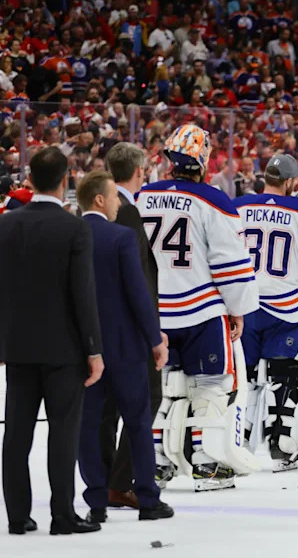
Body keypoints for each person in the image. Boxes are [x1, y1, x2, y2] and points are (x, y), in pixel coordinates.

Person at [138, 124, 260, 491]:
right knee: (211, 386)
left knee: (163, 386)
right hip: (202, 310)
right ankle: (207, 464)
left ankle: (156, 463)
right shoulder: (214, 200)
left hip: (154, 311)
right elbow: (231, 265)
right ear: (203, 160)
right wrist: (237, 309)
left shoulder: (142, 196)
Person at [0, 147, 104, 535]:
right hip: (65, 349)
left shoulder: (6, 224)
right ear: (66, 180)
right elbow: (83, 294)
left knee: (17, 433)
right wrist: (94, 349)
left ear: (29, 178)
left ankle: (16, 516)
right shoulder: (74, 228)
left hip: (18, 348)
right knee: (63, 432)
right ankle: (62, 514)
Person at [75, 171, 174, 524]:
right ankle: (147, 498)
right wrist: (155, 339)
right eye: (114, 197)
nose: (119, 202)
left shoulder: (70, 234)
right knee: (137, 421)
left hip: (84, 349)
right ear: (99, 199)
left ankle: (96, 501)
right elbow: (138, 292)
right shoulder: (120, 237)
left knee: (89, 425)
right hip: (126, 347)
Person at [235, 154, 298, 472]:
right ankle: (282, 446)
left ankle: (239, 443)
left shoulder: (238, 207)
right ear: (293, 181)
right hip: (289, 308)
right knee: (287, 381)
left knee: (245, 380)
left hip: (246, 305)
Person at [102, 141, 161, 510]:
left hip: (106, 326)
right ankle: (119, 481)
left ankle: (107, 479)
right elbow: (137, 279)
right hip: (130, 330)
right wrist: (151, 330)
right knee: (147, 398)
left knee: (108, 406)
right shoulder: (126, 213)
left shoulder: (111, 209)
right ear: (139, 172)